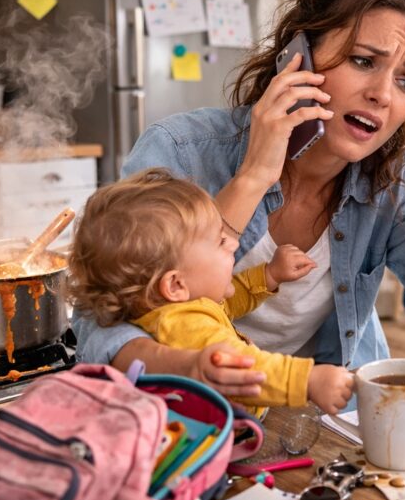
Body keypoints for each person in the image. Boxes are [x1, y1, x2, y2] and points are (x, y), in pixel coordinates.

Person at [73, 0, 405, 403]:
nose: (383, 94)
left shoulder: (393, 183)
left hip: (326, 408)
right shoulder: (183, 150)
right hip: (192, 413)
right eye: (363, 61)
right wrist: (253, 177)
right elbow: (98, 327)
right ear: (298, 54)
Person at [68, 168, 355, 415]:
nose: (233, 244)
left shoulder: (174, 311)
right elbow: (245, 368)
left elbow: (225, 307)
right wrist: (307, 381)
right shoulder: (186, 326)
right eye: (220, 241)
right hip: (218, 436)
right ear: (175, 285)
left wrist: (268, 275)